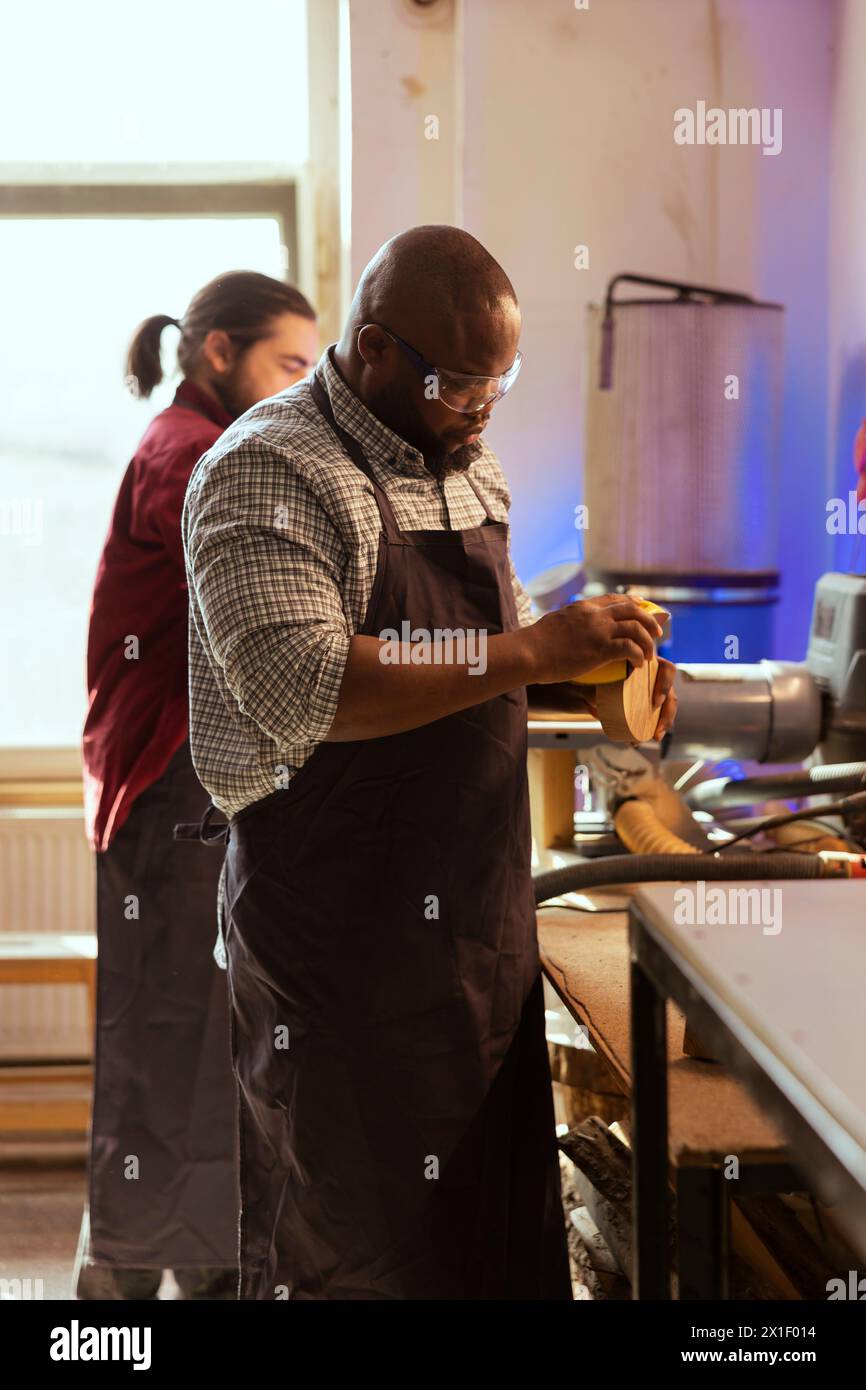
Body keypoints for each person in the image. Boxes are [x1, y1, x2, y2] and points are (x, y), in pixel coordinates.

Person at [182, 227, 677, 1300]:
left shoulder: (467, 462)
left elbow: (469, 668)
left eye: (501, 378)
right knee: (352, 1251)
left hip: (469, 941)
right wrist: (531, 649)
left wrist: (587, 673)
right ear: (373, 349)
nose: (484, 405)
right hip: (338, 945)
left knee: (478, 1249)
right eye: (461, 382)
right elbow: (310, 687)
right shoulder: (269, 468)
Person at [77, 271, 318, 1300]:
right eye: (288, 368)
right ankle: (125, 1288)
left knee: (203, 1037)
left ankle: (195, 1268)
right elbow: (265, 574)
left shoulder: (202, 446)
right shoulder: (191, 457)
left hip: (183, 784)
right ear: (218, 352)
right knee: (172, 1037)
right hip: (170, 785)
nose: (300, 393)